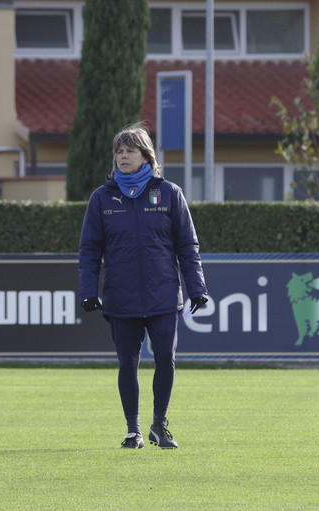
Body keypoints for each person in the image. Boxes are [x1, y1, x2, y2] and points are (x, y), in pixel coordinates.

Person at [78, 123, 208, 449]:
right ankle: (133, 429)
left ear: (145, 155)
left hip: (163, 294)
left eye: (129, 151)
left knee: (165, 357)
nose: (123, 156)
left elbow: (187, 246)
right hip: (121, 296)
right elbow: (90, 250)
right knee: (128, 363)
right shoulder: (102, 198)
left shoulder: (168, 193)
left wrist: (197, 289)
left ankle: (159, 426)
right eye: (119, 151)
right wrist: (88, 291)